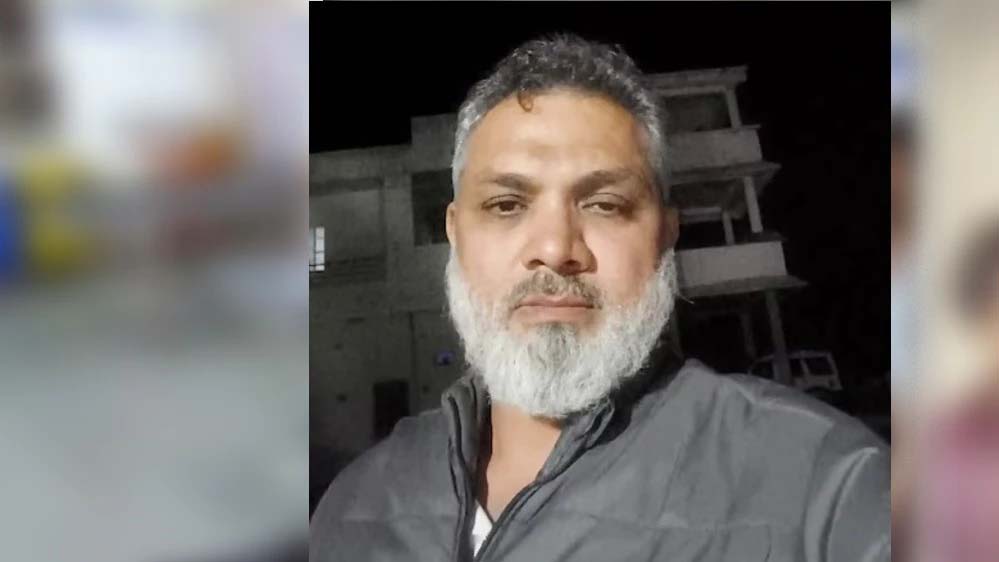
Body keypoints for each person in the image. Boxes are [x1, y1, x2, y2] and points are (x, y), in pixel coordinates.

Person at [311, 34, 889, 561]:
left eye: (605, 205)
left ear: (665, 235)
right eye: (507, 205)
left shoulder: (824, 488)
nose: (555, 248)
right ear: (456, 236)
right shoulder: (354, 505)